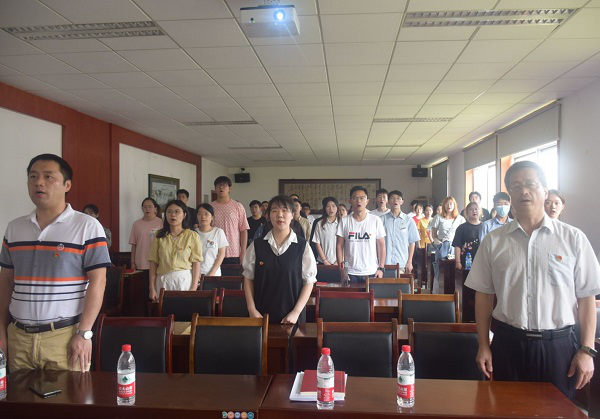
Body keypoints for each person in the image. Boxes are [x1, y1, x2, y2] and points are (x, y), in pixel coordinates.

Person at [466, 161, 600, 400]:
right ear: (510, 194)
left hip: (559, 347)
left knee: (558, 412)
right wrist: (483, 344)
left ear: (545, 191)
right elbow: (484, 296)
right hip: (508, 344)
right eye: (516, 186)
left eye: (530, 184)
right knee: (507, 409)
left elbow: (586, 298)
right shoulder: (493, 241)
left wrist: (586, 350)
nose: (524, 191)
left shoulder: (573, 239)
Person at [0, 154, 111, 372]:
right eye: (33, 177)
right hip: (18, 337)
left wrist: (84, 333)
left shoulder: (87, 226)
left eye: (48, 177)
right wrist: (1, 330)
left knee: (68, 395)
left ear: (67, 185)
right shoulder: (15, 228)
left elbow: (98, 282)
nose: (39, 183)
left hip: (64, 338)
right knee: (17, 394)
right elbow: (5, 282)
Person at [243, 195, 316, 324]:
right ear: (268, 215)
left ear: (293, 214)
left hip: (292, 318)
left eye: (284, 210)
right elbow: (248, 278)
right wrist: (251, 309)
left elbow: (309, 282)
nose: (280, 215)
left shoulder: (302, 246)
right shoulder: (256, 245)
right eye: (275, 210)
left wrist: (296, 312)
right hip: (260, 315)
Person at [148, 200, 202, 301]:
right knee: (164, 310)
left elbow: (196, 263)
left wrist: (194, 287)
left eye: (177, 211)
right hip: (163, 280)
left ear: (184, 215)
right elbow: (153, 262)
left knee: (183, 309)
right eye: (169, 211)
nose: (173, 215)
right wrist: (152, 288)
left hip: (184, 280)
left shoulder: (192, 235)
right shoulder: (159, 236)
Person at [336, 186, 386, 283]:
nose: (359, 201)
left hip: (371, 271)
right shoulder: (344, 221)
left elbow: (381, 245)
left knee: (372, 294)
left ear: (367, 201)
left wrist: (381, 268)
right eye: (355, 198)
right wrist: (342, 270)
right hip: (350, 272)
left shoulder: (375, 220)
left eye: (362, 198)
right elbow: (339, 246)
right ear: (350, 201)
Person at [211, 176, 249, 265]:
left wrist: (243, 252)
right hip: (214, 252)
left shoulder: (238, 206)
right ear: (215, 189)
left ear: (229, 188)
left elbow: (243, 230)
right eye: (218, 185)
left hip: (234, 252)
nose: (221, 187)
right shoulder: (210, 207)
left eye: (224, 185)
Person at [430, 196, 465, 292]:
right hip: (442, 246)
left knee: (454, 270)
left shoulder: (460, 219)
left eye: (451, 204)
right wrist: (439, 245)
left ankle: (454, 293)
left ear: (454, 205)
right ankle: (438, 292)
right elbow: (433, 234)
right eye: (446, 204)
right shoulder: (438, 217)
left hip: (455, 247)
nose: (449, 206)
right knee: (440, 270)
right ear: (443, 206)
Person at [381, 190, 420, 274]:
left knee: (402, 283)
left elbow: (412, 242)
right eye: (392, 198)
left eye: (398, 198)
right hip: (385, 263)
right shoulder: (382, 219)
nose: (395, 200)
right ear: (388, 201)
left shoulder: (408, 220)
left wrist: (409, 261)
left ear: (402, 201)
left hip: (402, 263)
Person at [129, 198, 163, 272]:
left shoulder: (161, 223)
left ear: (155, 208)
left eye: (150, 206)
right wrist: (132, 262)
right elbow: (134, 245)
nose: (147, 209)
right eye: (145, 207)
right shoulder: (136, 224)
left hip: (158, 262)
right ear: (142, 208)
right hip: (141, 262)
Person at [195, 203, 228, 277]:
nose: (203, 217)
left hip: (214, 275)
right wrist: (196, 274)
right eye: (200, 214)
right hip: (196, 275)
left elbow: (222, 254)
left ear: (212, 217)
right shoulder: (193, 233)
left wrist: (212, 273)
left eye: (206, 214)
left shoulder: (218, 232)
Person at [452, 202, 483, 271]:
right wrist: (458, 262)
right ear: (467, 212)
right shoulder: (461, 228)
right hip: (467, 262)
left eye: (476, 209)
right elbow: (457, 246)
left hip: (482, 262)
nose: (474, 211)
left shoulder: (485, 226)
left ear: (480, 211)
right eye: (471, 209)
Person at [312, 197, 340, 265]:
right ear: (324, 208)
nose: (331, 209)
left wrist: (338, 260)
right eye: (328, 206)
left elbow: (346, 243)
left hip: (340, 261)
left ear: (337, 207)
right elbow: (317, 243)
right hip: (323, 262)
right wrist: (325, 260)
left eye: (333, 206)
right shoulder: (319, 224)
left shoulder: (342, 223)